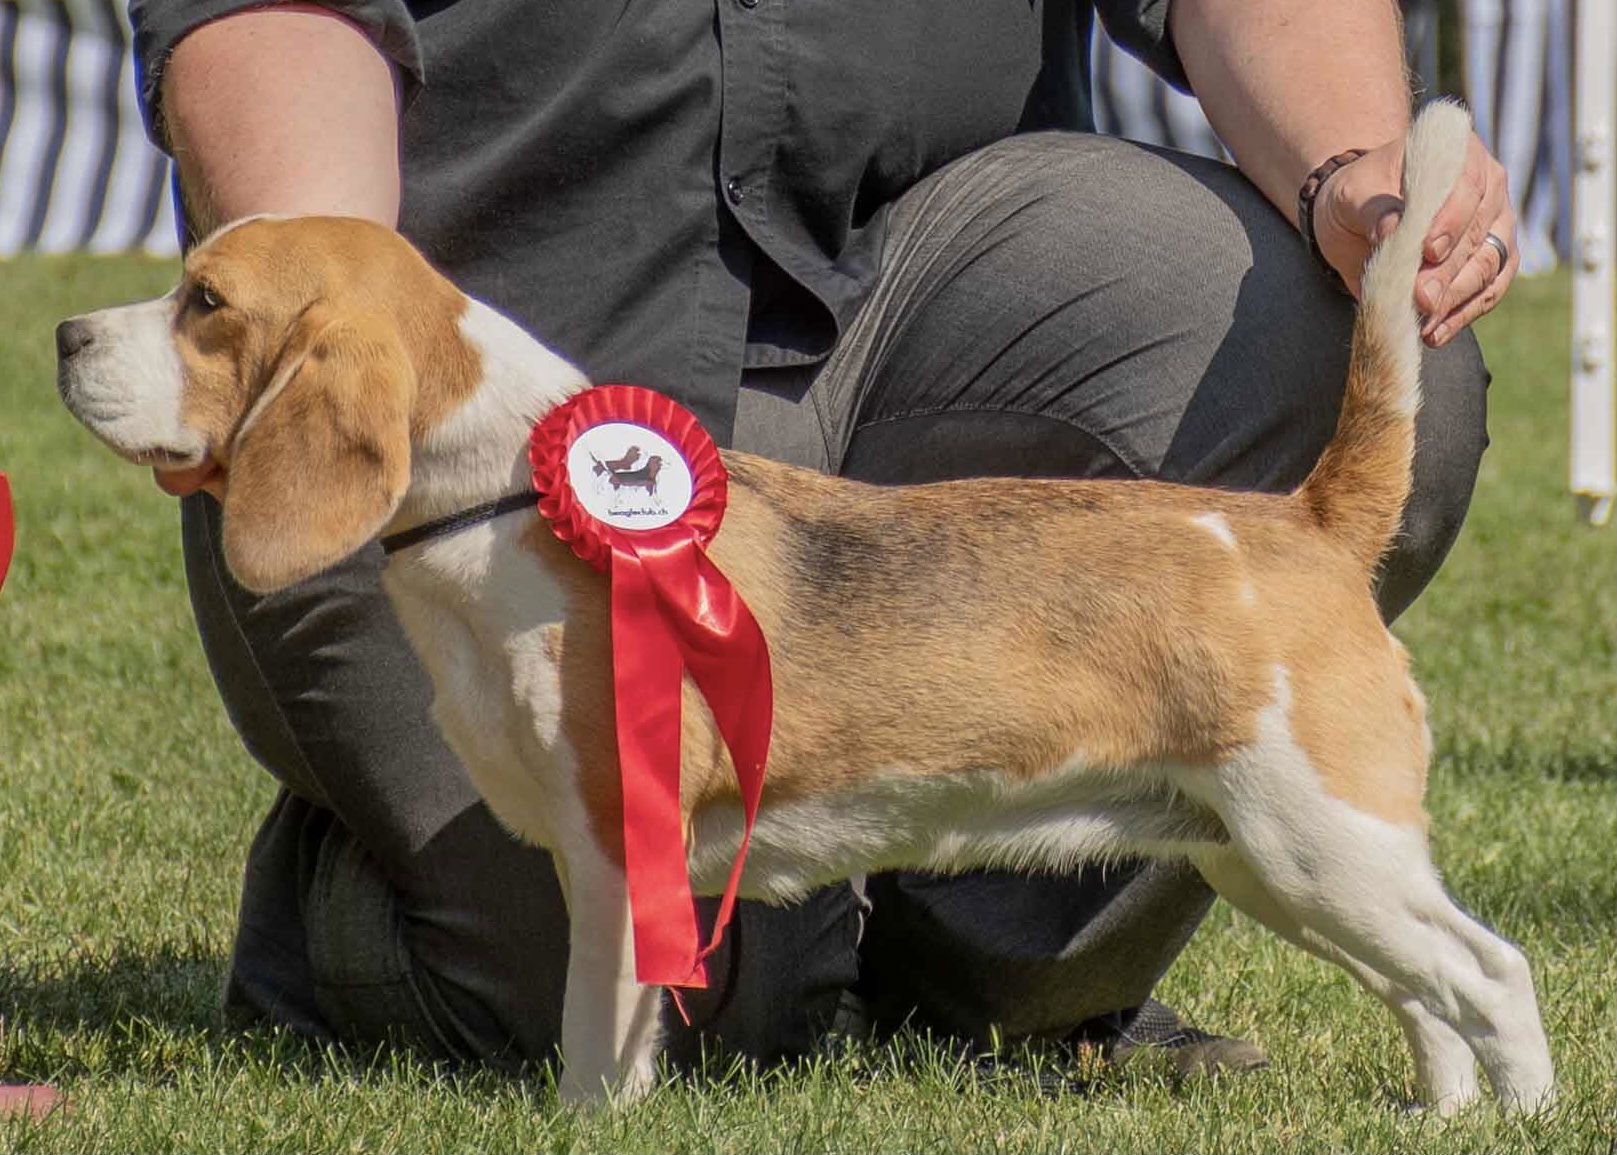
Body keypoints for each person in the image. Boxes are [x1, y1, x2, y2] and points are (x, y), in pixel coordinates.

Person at [127, 0, 1518, 1076]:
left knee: (1337, 355)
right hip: (493, 358)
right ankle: (375, 922)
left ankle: (1001, 978)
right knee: (670, 962)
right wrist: (324, 349)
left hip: (931, 266)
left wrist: (1355, 171)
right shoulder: (370, 360)